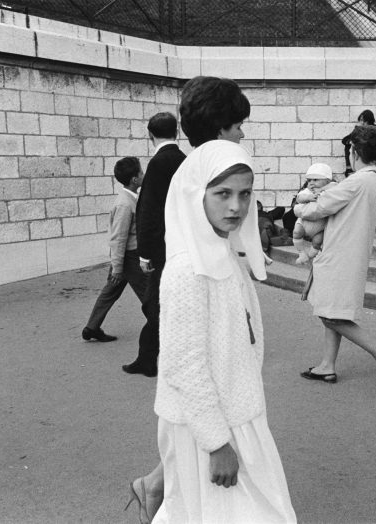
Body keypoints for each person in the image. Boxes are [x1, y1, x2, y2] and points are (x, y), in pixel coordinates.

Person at [126, 75, 253, 524]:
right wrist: (150, 259)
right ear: (221, 124)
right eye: (237, 124)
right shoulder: (190, 169)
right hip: (181, 274)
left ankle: (157, 485)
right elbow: (151, 215)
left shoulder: (205, 167)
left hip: (197, 279)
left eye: (243, 195)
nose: (242, 132)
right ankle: (159, 486)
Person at [152, 139, 296, 523]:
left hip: (238, 413)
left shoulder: (223, 252)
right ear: (197, 194)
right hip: (209, 427)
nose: (236, 206)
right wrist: (217, 443)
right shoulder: (186, 270)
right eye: (223, 194)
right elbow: (184, 365)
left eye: (245, 194)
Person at [296, 125, 376, 388]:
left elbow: (317, 208)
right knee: (334, 311)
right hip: (349, 253)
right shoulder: (371, 179)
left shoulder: (356, 181)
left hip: (340, 254)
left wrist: (299, 204)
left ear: (354, 151)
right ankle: (327, 366)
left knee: (330, 314)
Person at [122, 112, 186, 378]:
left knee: (154, 304)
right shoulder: (184, 161)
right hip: (183, 245)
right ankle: (146, 358)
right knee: (159, 303)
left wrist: (145, 253)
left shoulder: (157, 163)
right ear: (178, 132)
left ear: (150, 135)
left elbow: (148, 211)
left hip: (162, 248)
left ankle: (164, 358)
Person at [82, 157, 147, 343]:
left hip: (126, 258)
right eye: (141, 173)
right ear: (134, 179)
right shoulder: (125, 204)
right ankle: (161, 330)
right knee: (149, 295)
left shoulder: (130, 199)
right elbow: (119, 238)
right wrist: (118, 268)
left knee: (110, 291)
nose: (143, 175)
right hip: (130, 258)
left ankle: (91, 327)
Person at [292, 163, 336, 264]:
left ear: (327, 181)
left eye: (315, 180)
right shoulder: (308, 191)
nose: (311, 183)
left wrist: (322, 190)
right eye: (309, 180)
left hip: (319, 227)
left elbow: (335, 187)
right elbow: (299, 198)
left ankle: (310, 255)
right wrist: (308, 198)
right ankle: (301, 253)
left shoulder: (330, 191)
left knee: (317, 242)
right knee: (297, 232)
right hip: (304, 222)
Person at [342, 110, 376, 174]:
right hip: (363, 157)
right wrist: (352, 141)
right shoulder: (359, 130)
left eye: (363, 120)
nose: (361, 122)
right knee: (349, 146)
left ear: (368, 120)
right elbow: (344, 140)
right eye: (360, 120)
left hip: (374, 156)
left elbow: (375, 141)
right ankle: (349, 168)